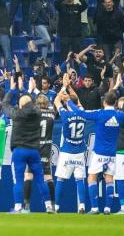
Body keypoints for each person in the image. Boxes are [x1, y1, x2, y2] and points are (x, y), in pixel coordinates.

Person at [68, 91, 124, 214]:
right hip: (112, 154)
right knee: (109, 179)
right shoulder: (120, 115)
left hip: (99, 152)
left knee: (92, 177)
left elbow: (79, 112)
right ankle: (107, 208)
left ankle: (95, 208)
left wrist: (68, 101)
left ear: (104, 102)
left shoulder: (99, 114)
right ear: (115, 103)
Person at [3, 77, 53, 214]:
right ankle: (49, 206)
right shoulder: (37, 112)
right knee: (41, 180)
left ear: (20, 105)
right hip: (34, 151)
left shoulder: (17, 114)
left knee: (18, 180)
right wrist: (25, 89)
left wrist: (12, 90)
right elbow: (34, 101)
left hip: (19, 151)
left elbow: (5, 104)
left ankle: (18, 207)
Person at [53, 77, 87, 213]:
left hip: (67, 151)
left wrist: (63, 87)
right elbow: (77, 101)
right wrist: (69, 89)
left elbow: (56, 100)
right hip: (79, 151)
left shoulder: (65, 114)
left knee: (60, 179)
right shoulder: (83, 113)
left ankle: (56, 207)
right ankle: (82, 206)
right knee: (80, 180)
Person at [22, 94, 56, 212]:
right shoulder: (52, 114)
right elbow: (53, 105)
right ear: (46, 104)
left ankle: (26, 205)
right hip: (46, 149)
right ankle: (52, 205)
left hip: (34, 147)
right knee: (48, 177)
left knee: (28, 176)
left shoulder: (34, 114)